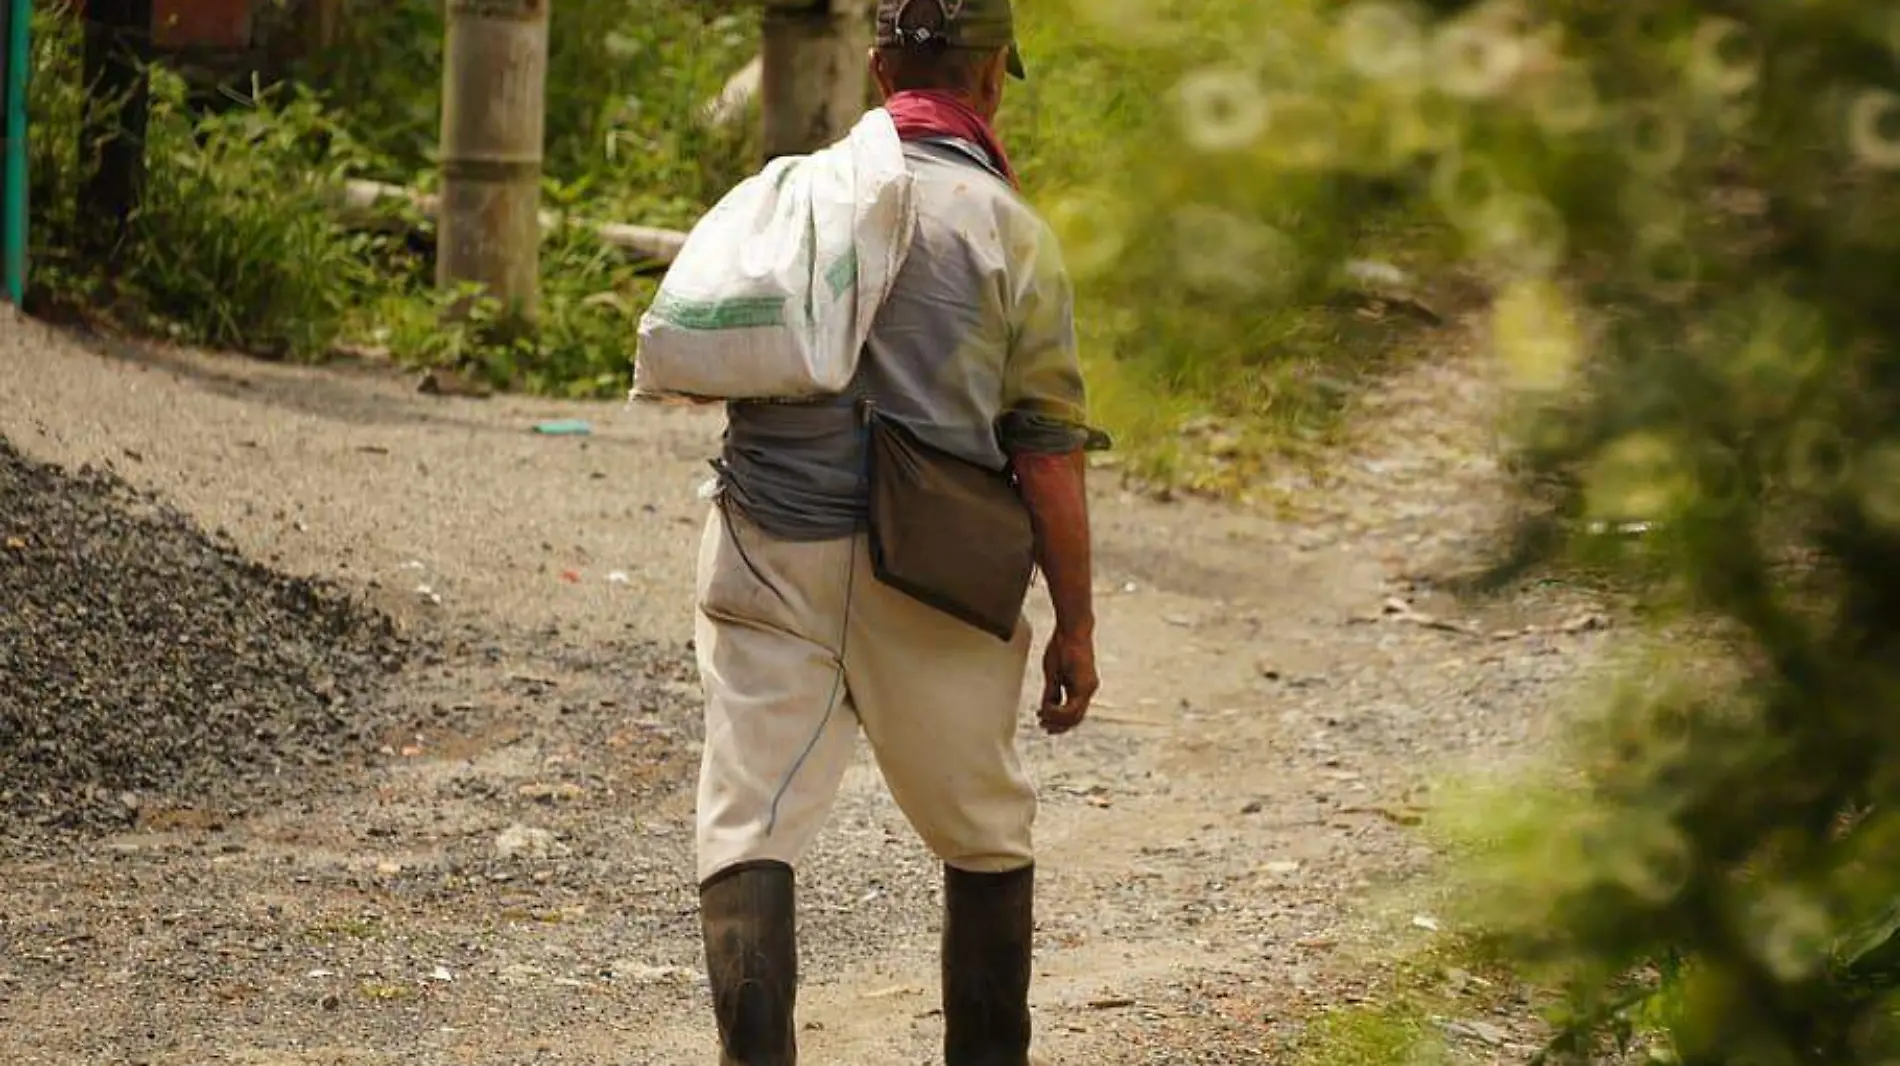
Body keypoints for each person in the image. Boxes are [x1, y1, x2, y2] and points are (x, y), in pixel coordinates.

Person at [690, 1, 1101, 1063]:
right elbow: (1047, 452)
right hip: (934, 570)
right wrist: (1076, 625)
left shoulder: (793, 197)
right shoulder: (1013, 234)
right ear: (993, 78)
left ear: (879, 70)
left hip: (765, 543)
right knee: (985, 832)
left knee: (749, 821)